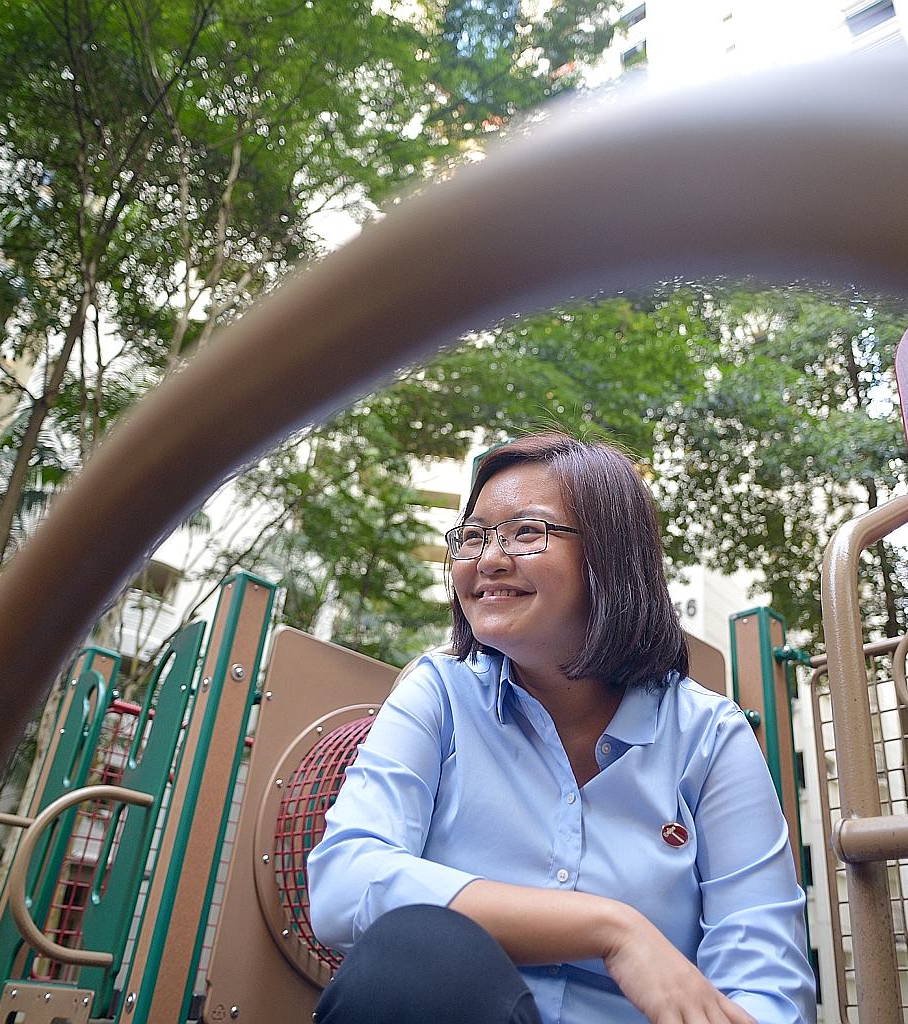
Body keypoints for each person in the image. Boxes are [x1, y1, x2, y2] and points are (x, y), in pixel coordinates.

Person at [308, 432, 815, 1024]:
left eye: (527, 532)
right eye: (473, 537)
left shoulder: (707, 736)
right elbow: (345, 881)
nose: (489, 559)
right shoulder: (439, 693)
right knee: (418, 951)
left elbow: (766, 981)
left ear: (609, 558)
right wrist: (611, 930)